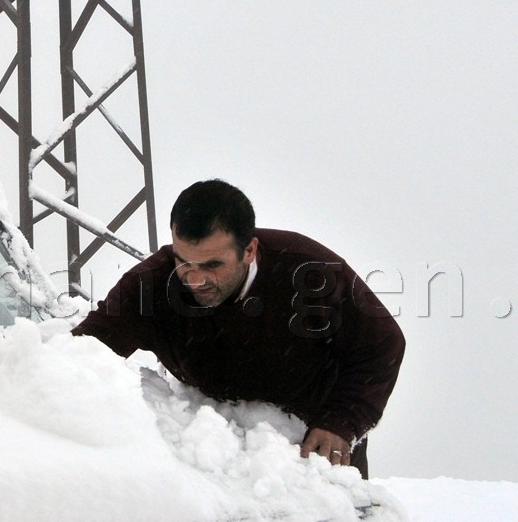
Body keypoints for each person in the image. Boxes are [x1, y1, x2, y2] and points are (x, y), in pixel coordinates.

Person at [72, 179, 405, 478]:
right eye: (183, 261)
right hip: (214, 456)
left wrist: (342, 422)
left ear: (249, 250)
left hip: (314, 451)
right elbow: (82, 352)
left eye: (212, 265)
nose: (195, 279)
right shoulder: (150, 287)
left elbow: (383, 344)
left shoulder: (310, 271)